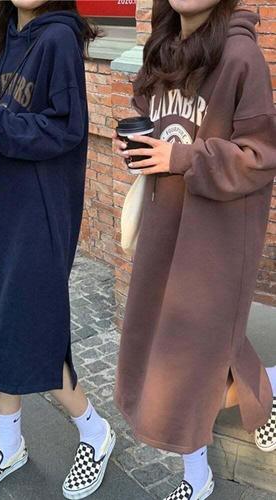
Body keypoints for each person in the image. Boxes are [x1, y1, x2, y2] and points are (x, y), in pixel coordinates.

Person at [0, 1, 114, 499]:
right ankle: (9, 445)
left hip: (39, 212)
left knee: (34, 329)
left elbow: (66, 130)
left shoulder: (58, 39)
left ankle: (96, 432)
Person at [112, 1, 276, 499]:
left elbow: (259, 157)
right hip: (165, 226)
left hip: (214, 244)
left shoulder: (242, 56)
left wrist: (180, 156)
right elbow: (151, 118)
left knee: (187, 364)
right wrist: (138, 146)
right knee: (175, 349)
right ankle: (261, 397)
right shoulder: (162, 47)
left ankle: (198, 475)